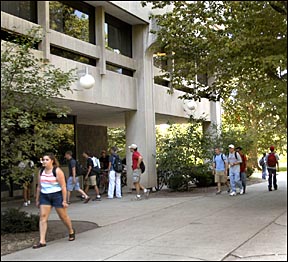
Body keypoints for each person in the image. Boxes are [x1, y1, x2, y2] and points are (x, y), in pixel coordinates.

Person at [33, 153, 75, 249]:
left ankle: (71, 230)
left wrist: (64, 200)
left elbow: (63, 186)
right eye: (43, 159)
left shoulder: (57, 171)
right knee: (43, 217)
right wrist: (37, 199)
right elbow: (39, 187)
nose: (44, 161)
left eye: (47, 159)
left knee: (63, 216)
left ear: (52, 161)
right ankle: (42, 241)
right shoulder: (40, 172)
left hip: (57, 195)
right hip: (45, 196)